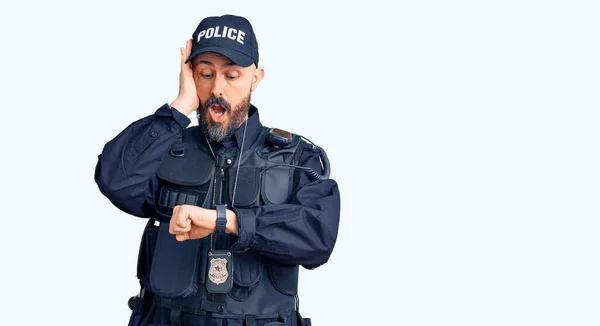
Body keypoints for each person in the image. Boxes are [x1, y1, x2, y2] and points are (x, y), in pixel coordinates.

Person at [94, 14, 341, 326]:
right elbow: (114, 179)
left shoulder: (296, 158)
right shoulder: (166, 148)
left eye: (232, 76)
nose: (216, 89)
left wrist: (227, 222)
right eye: (206, 73)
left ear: (256, 78)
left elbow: (318, 237)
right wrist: (179, 108)